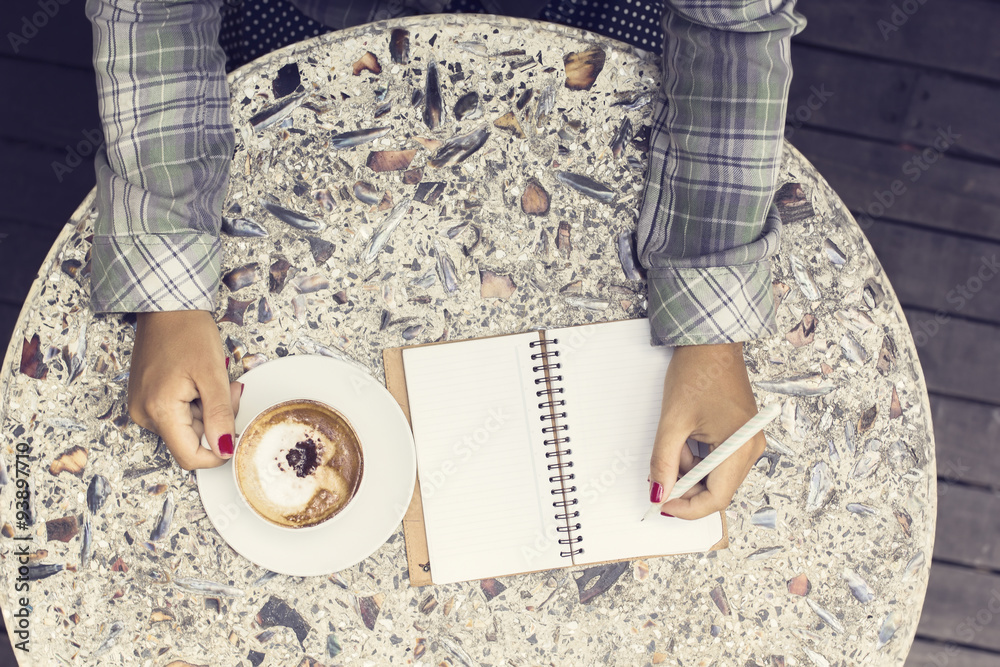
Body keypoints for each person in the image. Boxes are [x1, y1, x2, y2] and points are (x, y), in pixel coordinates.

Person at [86, 0, 806, 520]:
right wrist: (167, 273)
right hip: (311, 26)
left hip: (586, 31)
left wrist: (711, 327)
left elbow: (731, 28)